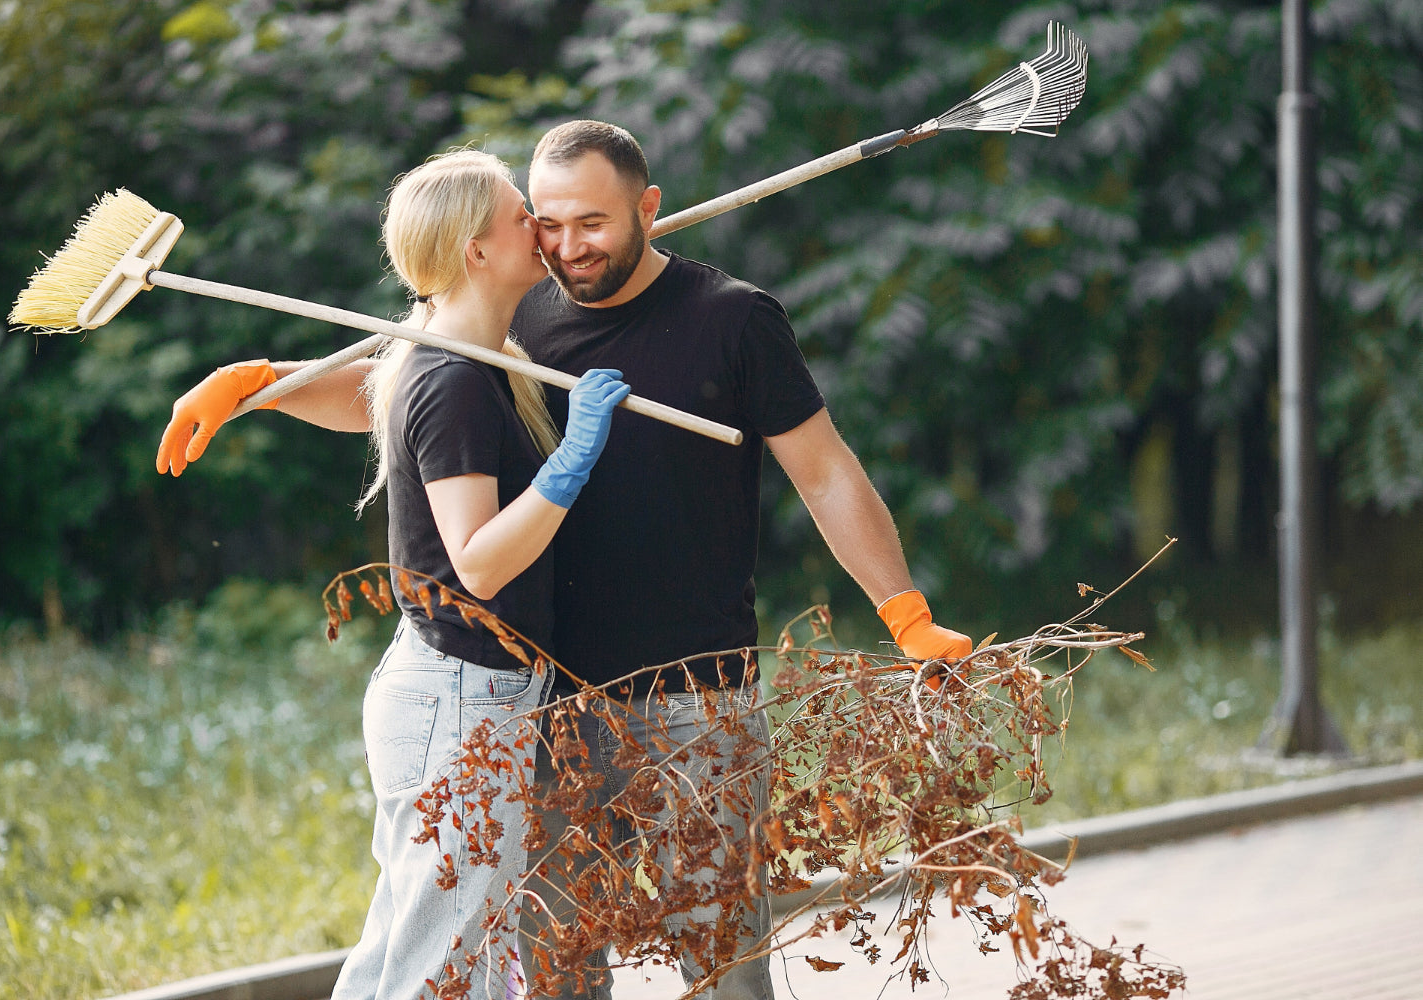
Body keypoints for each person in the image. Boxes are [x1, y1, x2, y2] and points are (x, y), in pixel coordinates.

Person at [157, 121, 971, 999]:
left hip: (695, 704)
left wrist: (903, 610)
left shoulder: (732, 318)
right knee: (553, 970)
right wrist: (263, 385)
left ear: (649, 209)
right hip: (544, 705)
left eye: (594, 223)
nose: (567, 247)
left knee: (725, 965)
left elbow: (826, 474)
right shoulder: (516, 309)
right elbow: (403, 396)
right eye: (546, 222)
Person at [168, 148, 630, 1000]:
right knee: (445, 965)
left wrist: (259, 386)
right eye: (520, 213)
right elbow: (482, 564)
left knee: (425, 952)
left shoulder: (458, 356)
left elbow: (364, 396)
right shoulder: (453, 377)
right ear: (476, 252)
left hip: (456, 690)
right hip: (460, 701)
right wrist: (575, 456)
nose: (541, 225)